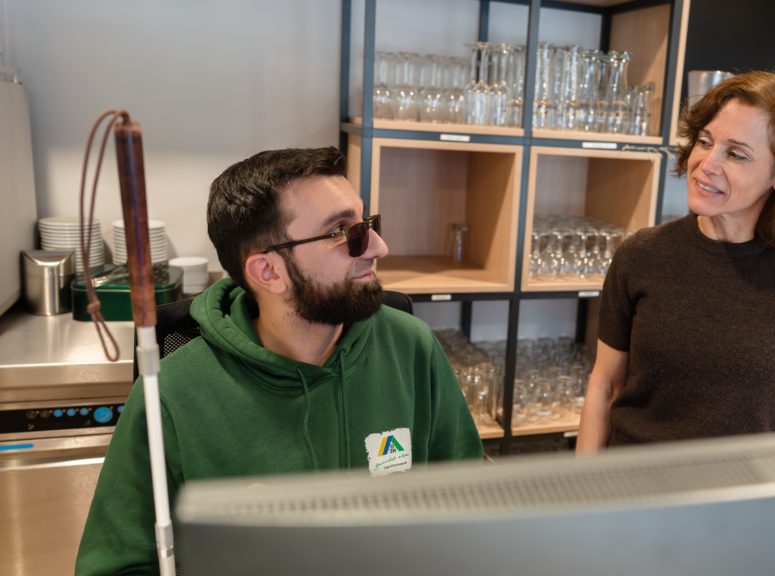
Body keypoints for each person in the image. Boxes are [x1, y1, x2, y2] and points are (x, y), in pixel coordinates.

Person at [76, 147, 483, 574]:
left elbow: (468, 509)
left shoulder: (411, 347)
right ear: (268, 272)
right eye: (341, 231)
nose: (379, 246)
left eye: (365, 224)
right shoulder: (172, 393)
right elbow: (116, 566)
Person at [577, 71, 775, 452]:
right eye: (705, 141)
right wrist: (586, 484)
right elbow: (606, 387)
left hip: (741, 487)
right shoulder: (641, 254)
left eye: (736, 154)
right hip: (632, 481)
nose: (706, 163)